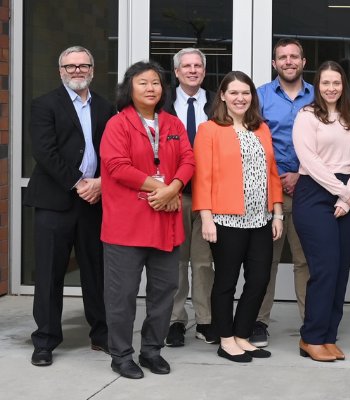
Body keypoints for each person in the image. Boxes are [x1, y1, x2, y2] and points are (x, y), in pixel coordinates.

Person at [100, 61, 195, 379]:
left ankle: (152, 350)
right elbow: (116, 166)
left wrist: (175, 188)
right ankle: (121, 354)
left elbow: (188, 159)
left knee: (164, 290)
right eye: (143, 83)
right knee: (122, 294)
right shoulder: (118, 124)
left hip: (164, 224)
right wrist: (163, 189)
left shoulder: (172, 123)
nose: (151, 88)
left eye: (155, 82)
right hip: (126, 225)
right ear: (129, 88)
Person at [26, 45, 113, 366]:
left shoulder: (106, 107)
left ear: (92, 69)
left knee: (96, 272)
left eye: (83, 65)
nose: (77, 70)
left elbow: (113, 152)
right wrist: (80, 184)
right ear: (60, 70)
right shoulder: (44, 105)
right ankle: (46, 340)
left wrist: (101, 183)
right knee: (50, 273)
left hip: (94, 203)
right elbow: (44, 152)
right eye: (70, 66)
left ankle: (101, 335)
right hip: (55, 202)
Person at [193, 71, 284, 363]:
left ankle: (243, 334)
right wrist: (206, 218)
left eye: (245, 93)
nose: (240, 98)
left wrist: (278, 212)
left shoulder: (262, 129)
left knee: (259, 279)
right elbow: (202, 176)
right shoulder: (209, 129)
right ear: (222, 96)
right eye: (233, 93)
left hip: (261, 218)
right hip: (226, 219)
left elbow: (272, 173)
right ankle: (226, 338)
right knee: (226, 282)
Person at [292, 61, 350, 362]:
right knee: (323, 268)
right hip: (315, 192)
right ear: (316, 86)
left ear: (343, 85)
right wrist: (341, 191)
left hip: (348, 195)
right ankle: (311, 337)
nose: (331, 88)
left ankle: (328, 336)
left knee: (340, 269)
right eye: (325, 83)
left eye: (336, 83)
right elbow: (309, 160)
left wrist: (349, 198)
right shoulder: (307, 116)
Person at [253, 38, 314, 347]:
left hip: (309, 190)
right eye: (282, 57)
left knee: (305, 260)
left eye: (294, 56)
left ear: (303, 61)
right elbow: (251, 143)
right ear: (275, 63)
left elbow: (329, 144)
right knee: (266, 259)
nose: (289, 61)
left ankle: (311, 323)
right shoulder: (260, 96)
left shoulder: (319, 96)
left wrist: (300, 174)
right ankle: (260, 321)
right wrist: (279, 177)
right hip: (268, 191)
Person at [162, 48, 216, 347]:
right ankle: (175, 320)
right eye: (187, 66)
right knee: (177, 261)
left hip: (209, 196)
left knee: (203, 262)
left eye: (198, 66)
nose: (193, 70)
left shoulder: (216, 104)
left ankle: (205, 320)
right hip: (176, 194)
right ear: (177, 72)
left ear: (204, 72)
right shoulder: (164, 104)